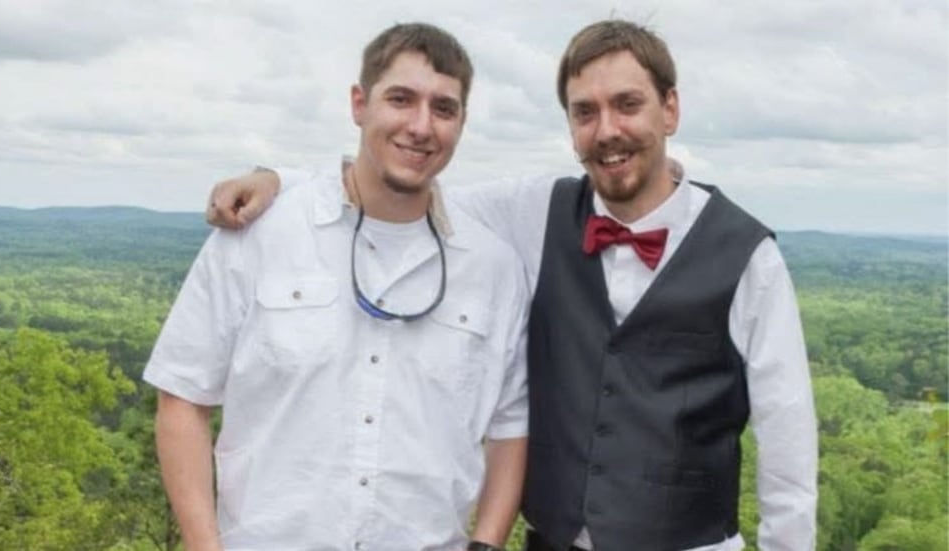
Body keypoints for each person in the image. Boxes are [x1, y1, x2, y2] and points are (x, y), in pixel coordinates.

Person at [206, 19, 818, 551]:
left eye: (627, 104)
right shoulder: (534, 211)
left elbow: (788, 452)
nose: (606, 130)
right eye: (585, 112)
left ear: (671, 109)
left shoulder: (748, 256)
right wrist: (281, 180)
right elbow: (402, 182)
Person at [145, 22, 530, 551]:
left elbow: (511, 425)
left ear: (462, 121)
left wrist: (486, 544)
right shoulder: (261, 233)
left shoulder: (494, 268)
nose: (421, 126)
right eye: (401, 99)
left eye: (444, 108)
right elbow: (183, 397)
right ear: (359, 103)